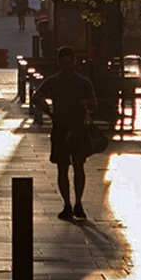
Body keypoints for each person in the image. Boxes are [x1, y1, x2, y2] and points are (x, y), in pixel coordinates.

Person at [31, 46, 98, 221]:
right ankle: (69, 204)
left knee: (77, 166)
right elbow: (36, 96)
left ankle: (76, 203)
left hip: (75, 127)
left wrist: (86, 104)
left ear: (73, 62)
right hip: (62, 127)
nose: (66, 66)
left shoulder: (81, 82)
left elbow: (93, 103)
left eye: (68, 62)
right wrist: (46, 108)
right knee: (65, 167)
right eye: (63, 63)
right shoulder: (56, 81)